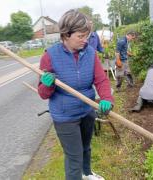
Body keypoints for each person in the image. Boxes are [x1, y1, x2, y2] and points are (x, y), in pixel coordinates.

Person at [38, 9, 114, 180]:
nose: (85, 40)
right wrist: (47, 84)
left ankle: (87, 174)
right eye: (80, 36)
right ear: (66, 34)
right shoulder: (50, 56)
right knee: (74, 157)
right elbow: (43, 94)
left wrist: (107, 98)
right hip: (65, 117)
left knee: (86, 148)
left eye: (86, 35)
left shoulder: (90, 53)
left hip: (87, 110)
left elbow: (101, 80)